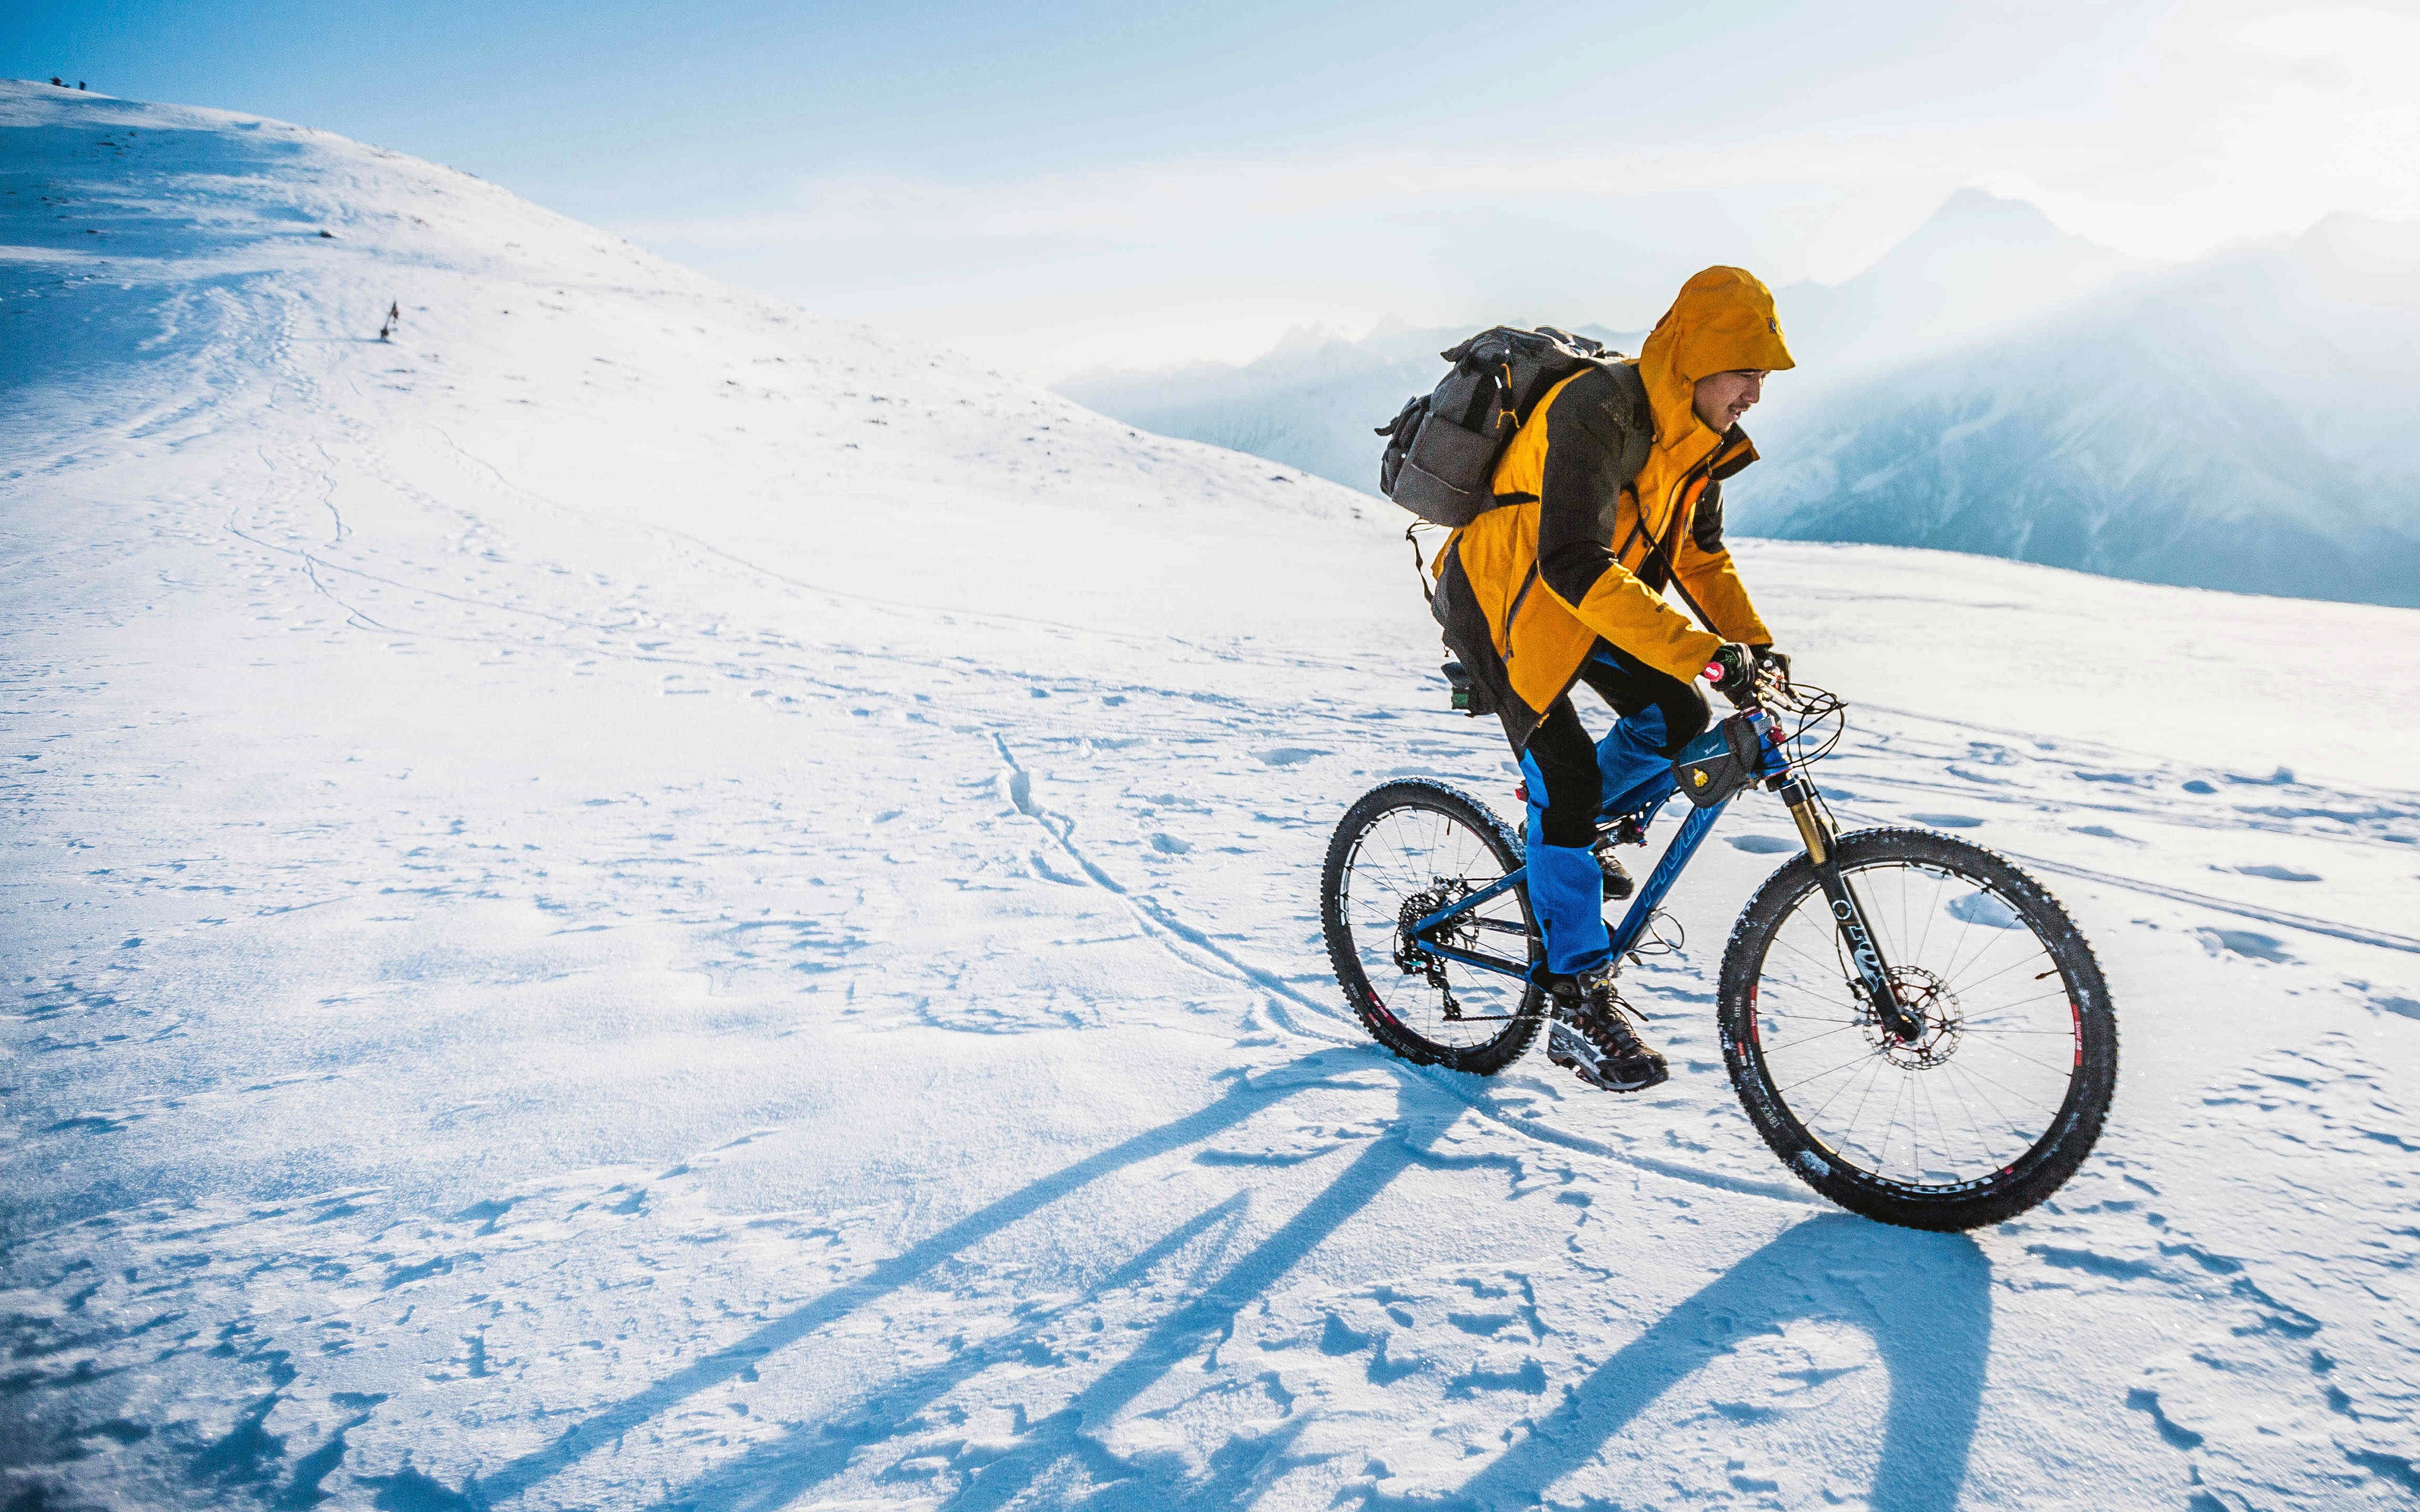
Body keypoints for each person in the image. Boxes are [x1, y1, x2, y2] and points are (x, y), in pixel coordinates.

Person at [1427, 266, 1795, 1092]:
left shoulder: (1698, 443)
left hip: (1584, 602)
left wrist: (1750, 646)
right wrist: (1701, 647)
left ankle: (1583, 833)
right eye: (1749, 372)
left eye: (1764, 379)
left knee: (1673, 711)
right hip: (1501, 598)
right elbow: (1568, 561)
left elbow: (1698, 555)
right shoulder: (1599, 408)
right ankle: (1577, 999)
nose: (1756, 396)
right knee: (1565, 772)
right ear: (1702, 356)